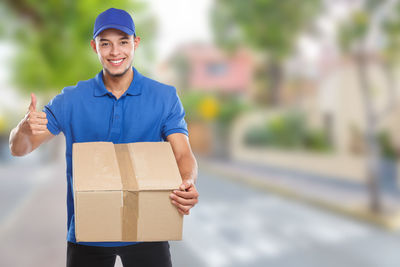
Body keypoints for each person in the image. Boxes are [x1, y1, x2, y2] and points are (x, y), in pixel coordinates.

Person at [9, 7, 199, 267]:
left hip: (149, 228)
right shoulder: (71, 99)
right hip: (88, 233)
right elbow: (20, 149)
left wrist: (187, 181)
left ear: (136, 43)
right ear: (94, 47)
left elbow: (182, 153)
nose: (115, 52)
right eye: (105, 43)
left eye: (123, 42)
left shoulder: (164, 97)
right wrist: (24, 128)